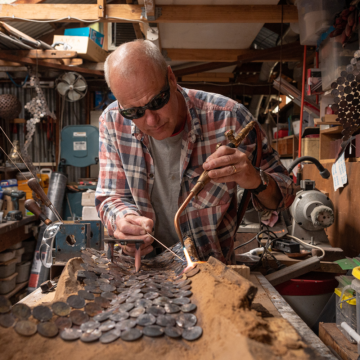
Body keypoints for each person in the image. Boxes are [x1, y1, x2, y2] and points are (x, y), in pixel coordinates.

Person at [95, 40, 296, 264]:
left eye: (157, 101)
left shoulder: (229, 118)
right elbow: (111, 197)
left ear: (171, 78)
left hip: (210, 274)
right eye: (134, 111)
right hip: (142, 268)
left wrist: (255, 179)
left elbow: (284, 198)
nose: (151, 120)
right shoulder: (112, 122)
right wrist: (124, 220)